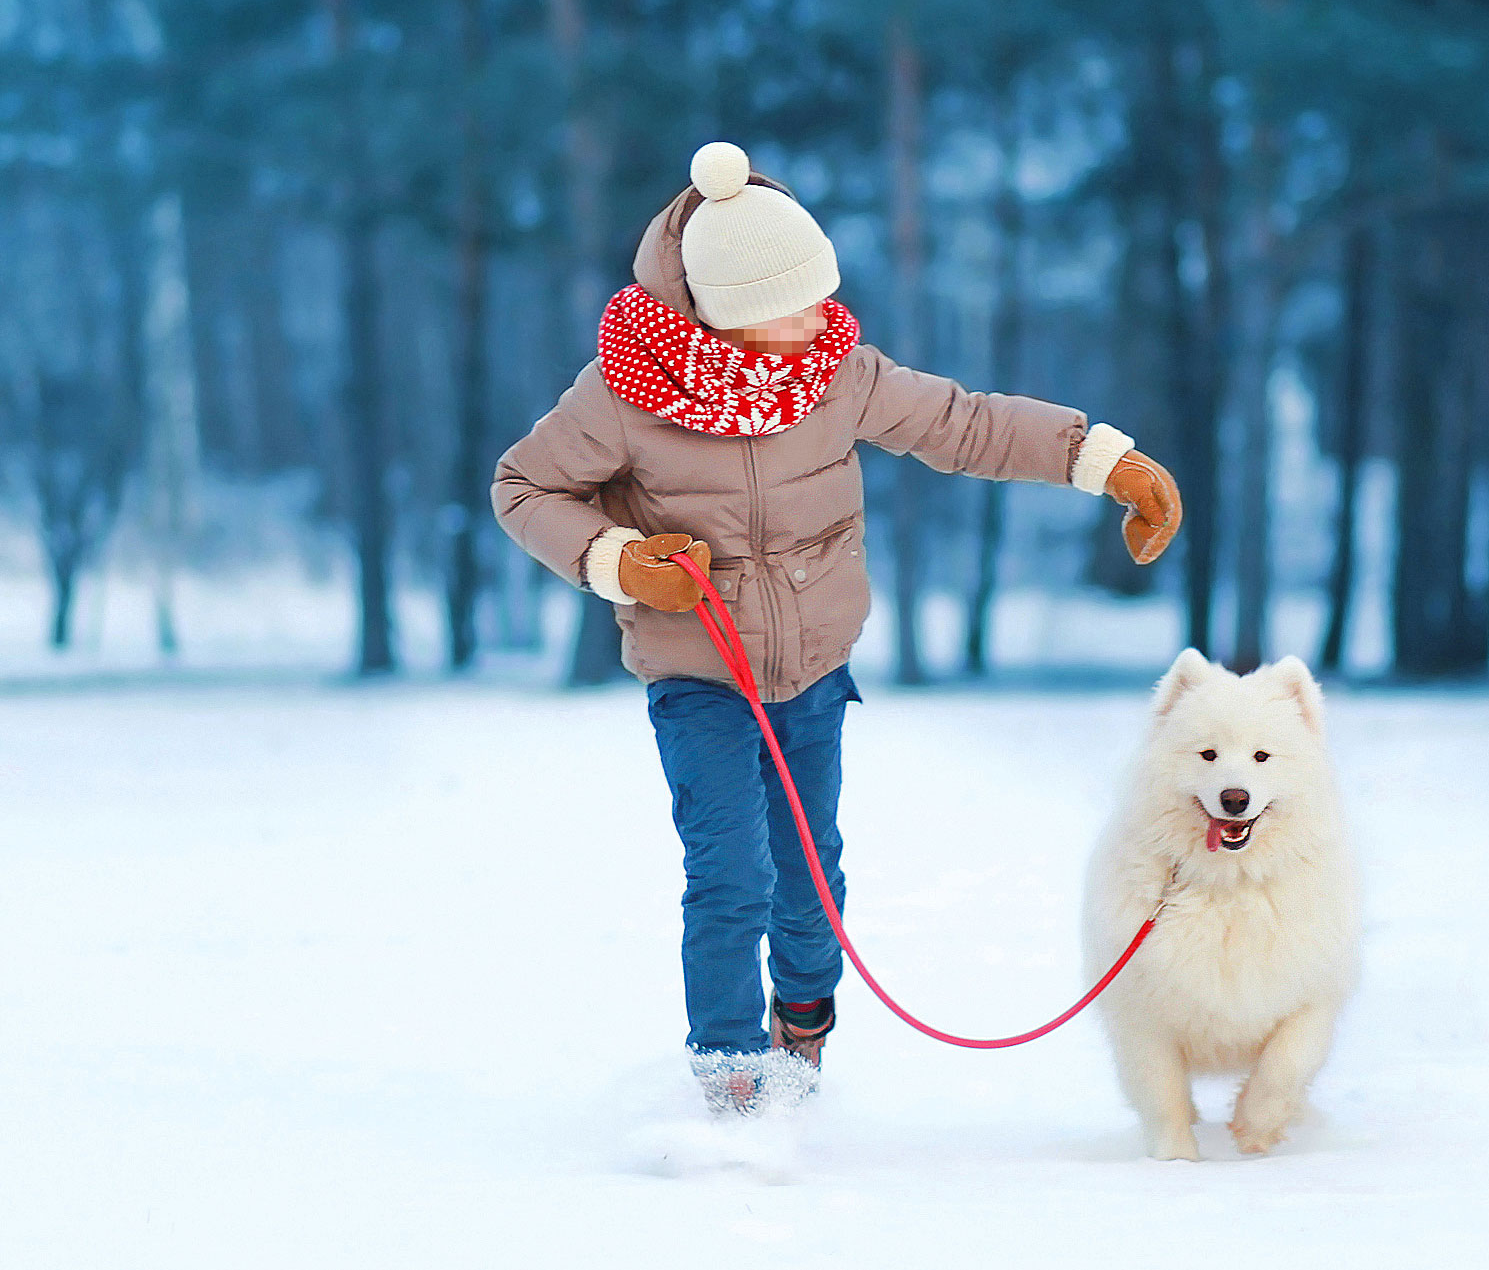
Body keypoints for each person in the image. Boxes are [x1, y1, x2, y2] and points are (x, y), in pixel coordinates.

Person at [491, 140, 1182, 1115]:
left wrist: (1104, 461)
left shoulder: (834, 373)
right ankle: (728, 1072)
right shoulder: (621, 395)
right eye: (795, 299)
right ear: (722, 309)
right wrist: (616, 559)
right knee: (727, 872)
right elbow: (522, 486)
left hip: (812, 670)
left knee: (808, 884)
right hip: (698, 676)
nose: (822, 315)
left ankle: (802, 1019)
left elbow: (966, 423)